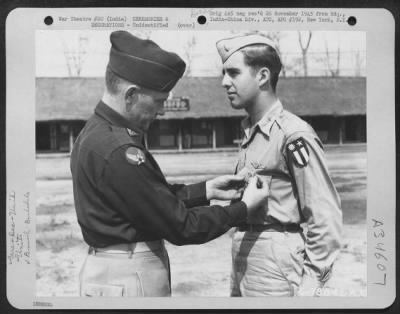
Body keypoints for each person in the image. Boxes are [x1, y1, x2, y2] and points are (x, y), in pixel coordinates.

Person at [70, 31, 270, 297]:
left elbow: (147, 200)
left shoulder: (95, 133)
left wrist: (208, 190)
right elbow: (181, 226)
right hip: (129, 278)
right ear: (131, 95)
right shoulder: (121, 150)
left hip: (111, 274)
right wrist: (243, 209)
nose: (162, 111)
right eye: (159, 101)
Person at [216, 34, 343, 297]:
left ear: (262, 76)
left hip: (275, 257)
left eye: (233, 73)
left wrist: (312, 283)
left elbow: (323, 213)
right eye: (224, 74)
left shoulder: (293, 134)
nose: (224, 82)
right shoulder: (253, 131)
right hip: (245, 250)